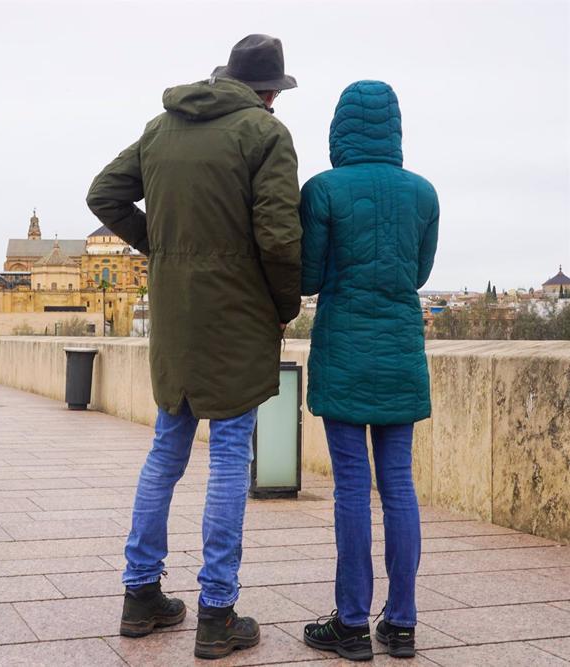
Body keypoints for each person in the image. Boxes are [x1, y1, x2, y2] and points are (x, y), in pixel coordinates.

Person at [86, 34, 301, 660]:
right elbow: (280, 237)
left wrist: (165, 246)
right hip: (236, 314)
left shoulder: (160, 128)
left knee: (166, 451)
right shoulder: (265, 135)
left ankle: (140, 597)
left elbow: (104, 194)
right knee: (230, 455)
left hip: (175, 318)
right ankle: (217, 612)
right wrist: (282, 305)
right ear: (269, 93)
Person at [299, 81, 439, 662]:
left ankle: (352, 624)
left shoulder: (323, 189)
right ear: (396, 127)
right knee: (399, 486)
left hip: (345, 348)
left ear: (340, 129)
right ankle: (402, 624)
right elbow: (421, 272)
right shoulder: (424, 193)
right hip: (402, 350)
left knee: (353, 487)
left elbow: (307, 276)